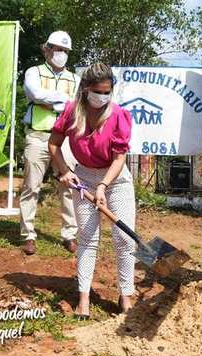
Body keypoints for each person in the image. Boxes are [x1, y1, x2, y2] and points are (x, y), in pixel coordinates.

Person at [49, 63, 136, 318]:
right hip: (83, 177)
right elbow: (53, 144)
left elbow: (119, 159)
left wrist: (102, 186)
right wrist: (65, 170)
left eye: (108, 91)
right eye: (98, 91)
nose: (103, 96)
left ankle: (126, 294)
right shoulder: (71, 111)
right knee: (87, 238)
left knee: (124, 238)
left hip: (115, 178)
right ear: (86, 90)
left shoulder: (119, 115)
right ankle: (84, 296)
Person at [20, 31, 79, 255]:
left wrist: (50, 100)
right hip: (38, 135)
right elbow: (35, 94)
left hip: (66, 138)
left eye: (65, 50)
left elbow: (76, 104)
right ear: (46, 49)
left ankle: (69, 235)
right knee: (31, 186)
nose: (60, 53)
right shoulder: (33, 72)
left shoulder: (75, 79)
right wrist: (63, 101)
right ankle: (28, 235)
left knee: (69, 187)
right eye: (56, 48)